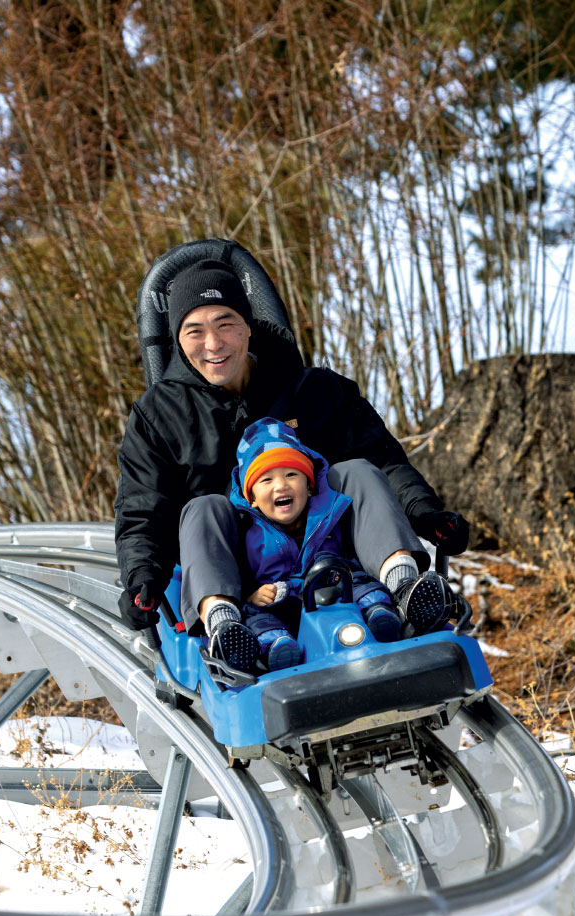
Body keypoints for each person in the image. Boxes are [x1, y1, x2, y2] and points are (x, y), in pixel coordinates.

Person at [115, 255, 468, 672]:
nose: (213, 344)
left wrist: (424, 514)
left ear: (248, 325)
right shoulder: (159, 417)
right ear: (178, 340)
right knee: (203, 507)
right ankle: (226, 627)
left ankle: (403, 588)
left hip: (337, 558)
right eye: (195, 331)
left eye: (225, 323)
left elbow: (383, 460)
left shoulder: (315, 391)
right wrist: (143, 577)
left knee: (355, 470)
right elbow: (142, 511)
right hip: (243, 577)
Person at [231, 417, 451, 670]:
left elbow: (353, 549)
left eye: (291, 474)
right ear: (253, 499)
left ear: (310, 486)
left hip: (337, 596)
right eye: (266, 480)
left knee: (360, 581)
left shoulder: (329, 514)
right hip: (284, 608)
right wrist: (253, 594)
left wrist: (427, 513)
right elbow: (243, 577)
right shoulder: (249, 532)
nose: (281, 485)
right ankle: (275, 647)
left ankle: (385, 610)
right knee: (257, 617)